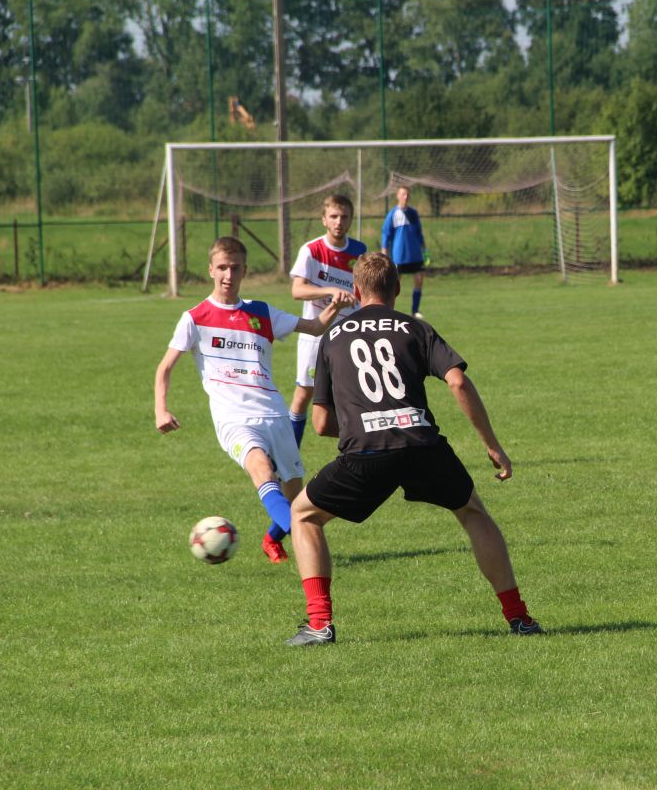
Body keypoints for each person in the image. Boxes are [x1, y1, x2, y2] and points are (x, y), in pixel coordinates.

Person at [284, 252, 542, 646]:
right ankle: (519, 617)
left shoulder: (332, 337)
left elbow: (320, 423)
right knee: (472, 512)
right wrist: (492, 445)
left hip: (365, 453)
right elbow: (458, 382)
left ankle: (319, 624)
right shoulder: (415, 328)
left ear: (356, 291)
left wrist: (363, 429)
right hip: (422, 444)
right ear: (398, 289)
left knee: (303, 515)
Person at [155, 236, 350, 564]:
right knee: (260, 469)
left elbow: (315, 327)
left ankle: (280, 538)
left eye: (235, 268)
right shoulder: (195, 317)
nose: (228, 275)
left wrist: (336, 306)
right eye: (222, 267)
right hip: (233, 418)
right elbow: (165, 368)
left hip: (275, 414)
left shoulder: (262, 312)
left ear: (244, 270)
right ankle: (307, 542)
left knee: (296, 497)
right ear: (210, 270)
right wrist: (161, 409)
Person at [288, 194, 367, 447]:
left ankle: (357, 452)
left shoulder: (360, 252)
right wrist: (330, 290)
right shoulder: (311, 250)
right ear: (324, 219)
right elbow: (297, 290)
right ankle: (289, 456)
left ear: (351, 219)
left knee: (352, 396)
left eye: (344, 217)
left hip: (348, 338)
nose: (338, 222)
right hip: (316, 337)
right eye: (333, 216)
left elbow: (366, 292)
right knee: (304, 395)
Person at [380, 184, 427, 319]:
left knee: (419, 280)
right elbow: (386, 235)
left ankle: (415, 311)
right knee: (393, 285)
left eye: (407, 194)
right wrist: (384, 253)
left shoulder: (413, 213)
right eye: (403, 194)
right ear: (397, 196)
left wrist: (425, 250)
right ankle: (388, 311)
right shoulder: (392, 214)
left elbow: (419, 233)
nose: (405, 197)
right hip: (399, 256)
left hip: (415, 255)